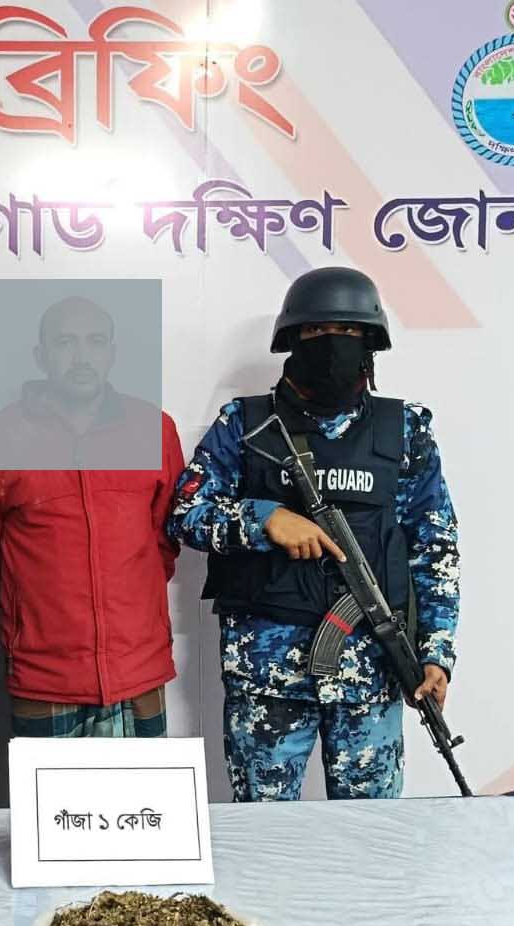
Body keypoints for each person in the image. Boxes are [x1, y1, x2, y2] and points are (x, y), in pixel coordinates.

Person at [169, 266, 461, 801]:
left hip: (372, 673)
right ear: (292, 340)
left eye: (348, 332)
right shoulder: (245, 425)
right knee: (264, 832)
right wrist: (263, 519)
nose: (332, 343)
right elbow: (185, 513)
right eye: (316, 331)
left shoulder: (404, 431)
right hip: (267, 679)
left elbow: (434, 547)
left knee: (372, 834)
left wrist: (435, 652)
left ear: (370, 342)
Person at [0, 294, 185, 738]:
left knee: (144, 788)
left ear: (112, 353)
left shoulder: (153, 430)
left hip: (137, 669)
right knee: (48, 789)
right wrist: (32, 612)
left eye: (95, 341)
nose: (81, 356)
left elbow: (164, 539)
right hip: (43, 675)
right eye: (65, 342)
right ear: (40, 355)